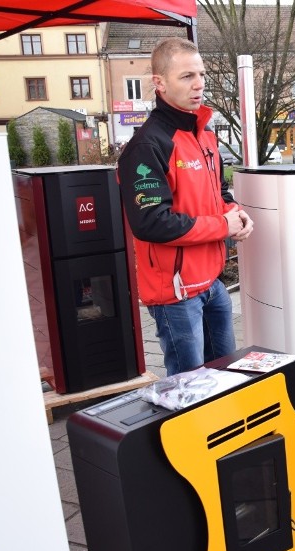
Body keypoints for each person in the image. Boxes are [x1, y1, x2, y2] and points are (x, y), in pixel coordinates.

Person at [117, 37, 253, 376]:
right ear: (159, 83)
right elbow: (151, 223)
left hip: (211, 283)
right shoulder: (146, 146)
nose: (199, 84)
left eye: (202, 74)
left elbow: (217, 193)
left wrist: (235, 211)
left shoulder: (204, 135)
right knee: (188, 389)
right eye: (187, 76)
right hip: (175, 296)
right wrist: (224, 226)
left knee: (227, 377)